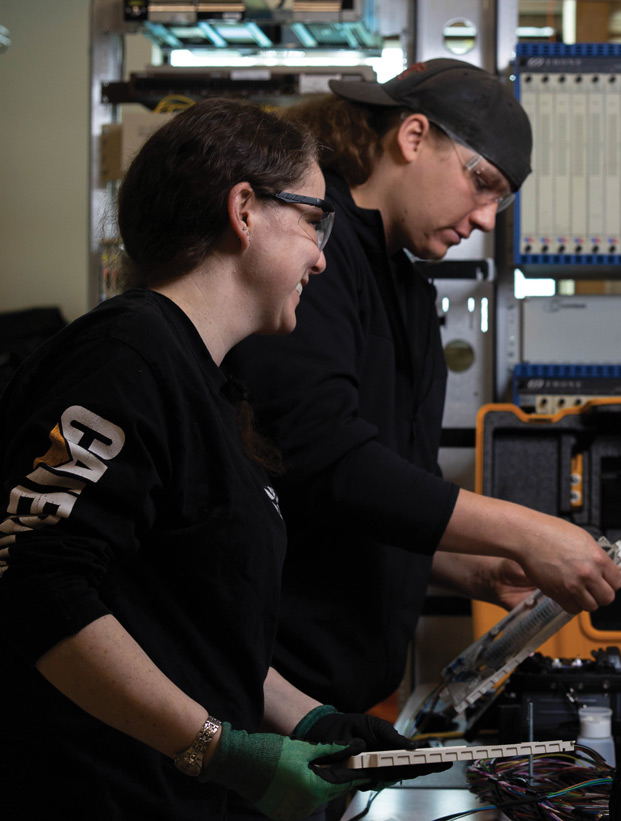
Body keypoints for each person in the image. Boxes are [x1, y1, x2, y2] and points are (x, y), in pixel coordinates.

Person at [0, 98, 439, 820]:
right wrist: (219, 749)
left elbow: (193, 625)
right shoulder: (125, 357)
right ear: (244, 210)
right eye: (312, 220)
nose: (323, 255)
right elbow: (39, 584)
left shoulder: (210, 384)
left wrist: (307, 718)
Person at [224, 60, 621, 721]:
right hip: (265, 689)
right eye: (483, 183)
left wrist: (469, 568)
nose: (489, 219)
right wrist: (525, 534)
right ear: (413, 136)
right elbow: (326, 460)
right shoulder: (316, 257)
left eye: (503, 200)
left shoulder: (406, 290)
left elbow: (381, 496)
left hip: (343, 693)